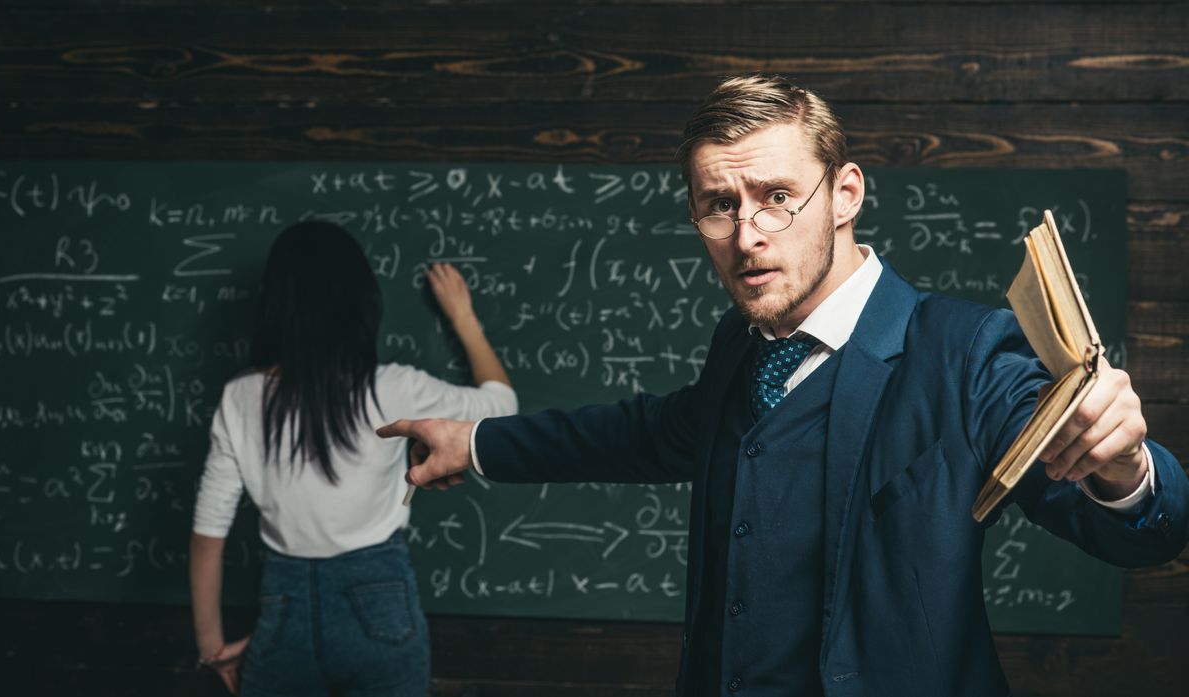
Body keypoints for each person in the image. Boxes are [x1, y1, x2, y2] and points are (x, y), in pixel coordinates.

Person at [377, 75, 1189, 697]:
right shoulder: (740, 343)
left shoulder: (964, 353)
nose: (748, 235)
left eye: (775, 197)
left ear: (845, 194)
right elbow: (650, 432)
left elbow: (1146, 531)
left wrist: (1123, 468)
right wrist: (475, 440)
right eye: (717, 205)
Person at [189, 221, 517, 696]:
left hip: (284, 609)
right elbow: (502, 409)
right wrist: (463, 318)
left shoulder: (241, 398)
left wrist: (212, 647)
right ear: (362, 301)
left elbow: (207, 537)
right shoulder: (394, 387)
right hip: (380, 604)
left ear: (275, 303)